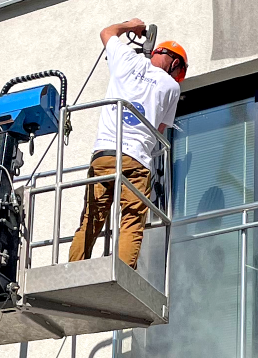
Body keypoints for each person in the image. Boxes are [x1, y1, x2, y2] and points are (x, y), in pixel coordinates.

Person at [69, 18, 186, 269]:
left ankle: (74, 267)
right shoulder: (171, 87)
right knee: (132, 220)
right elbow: (161, 128)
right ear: (175, 64)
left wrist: (131, 26)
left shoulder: (126, 60)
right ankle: (123, 274)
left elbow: (106, 31)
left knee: (92, 216)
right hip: (136, 158)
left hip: (105, 152)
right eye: (178, 72)